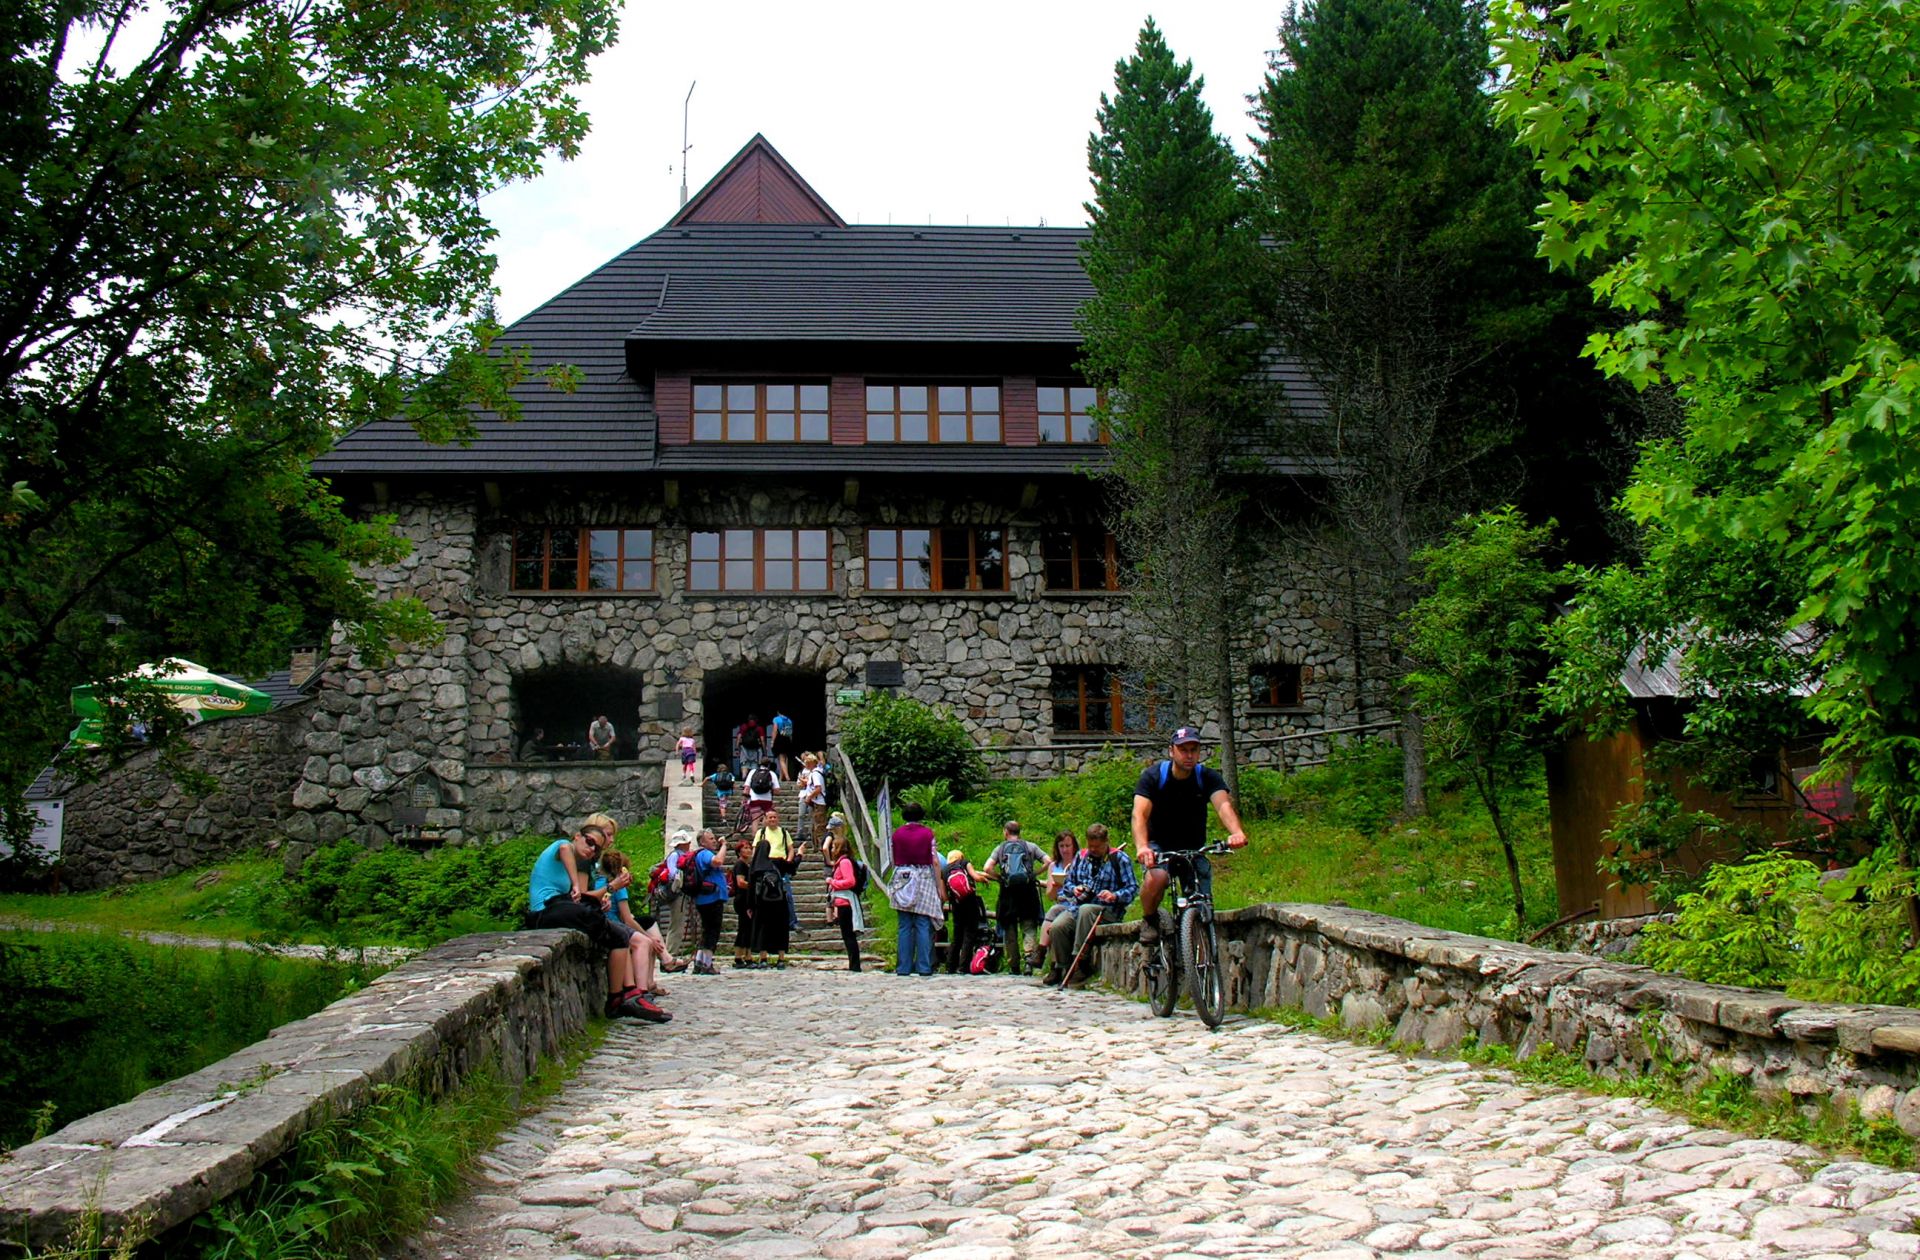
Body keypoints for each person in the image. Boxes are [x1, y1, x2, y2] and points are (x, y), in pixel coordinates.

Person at [523, 813, 666, 1021]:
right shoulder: (564, 846)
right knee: (605, 924)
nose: (592, 849)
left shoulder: (583, 862)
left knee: (618, 936)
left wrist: (603, 896)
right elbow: (566, 854)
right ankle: (627, 996)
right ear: (577, 837)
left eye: (597, 848)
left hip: (559, 908)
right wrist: (580, 884)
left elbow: (582, 897)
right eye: (590, 842)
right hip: (545, 910)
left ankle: (622, 996)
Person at [1133, 725, 1249, 945]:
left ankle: (1201, 956)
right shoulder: (1154, 776)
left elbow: (1223, 805)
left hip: (1194, 848)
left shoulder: (1206, 777)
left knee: (1202, 904)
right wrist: (1142, 846)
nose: (1189, 755)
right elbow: (1139, 815)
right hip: (1159, 845)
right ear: (1171, 751)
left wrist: (1236, 832)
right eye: (1183, 749)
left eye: (1193, 750)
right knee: (1156, 877)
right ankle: (1149, 918)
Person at [1044, 823, 1136, 987]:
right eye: (1090, 846)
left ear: (1106, 842)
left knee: (1087, 910)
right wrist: (1075, 889)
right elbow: (1068, 884)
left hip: (1107, 909)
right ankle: (1060, 966)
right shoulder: (1081, 856)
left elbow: (1132, 888)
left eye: (1097, 847)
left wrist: (1114, 895)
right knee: (1058, 926)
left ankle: (1080, 961)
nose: (1093, 850)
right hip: (1078, 906)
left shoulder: (1119, 859)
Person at [594, 846, 679, 1001]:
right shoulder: (618, 887)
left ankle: (656, 972)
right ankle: (642, 990)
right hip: (614, 925)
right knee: (647, 941)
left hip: (604, 922)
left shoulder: (599, 882)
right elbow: (627, 919)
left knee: (649, 928)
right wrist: (650, 938)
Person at [886, 801, 945, 977]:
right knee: (922, 924)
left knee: (904, 925)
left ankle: (903, 967)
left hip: (903, 877)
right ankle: (924, 967)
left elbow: (892, 857)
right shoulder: (927, 834)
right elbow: (934, 860)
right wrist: (939, 883)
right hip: (923, 877)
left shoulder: (897, 834)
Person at [984, 821, 1048, 975]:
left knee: (1009, 928)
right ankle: (1028, 961)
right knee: (1029, 926)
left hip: (1008, 894)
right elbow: (1048, 861)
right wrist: (1035, 874)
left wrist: (1000, 877)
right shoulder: (1030, 847)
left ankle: (1014, 964)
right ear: (1020, 832)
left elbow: (987, 868)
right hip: (1028, 892)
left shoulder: (1000, 848)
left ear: (1005, 832)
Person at [749, 809, 798, 967]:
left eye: (775, 817)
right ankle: (780, 958)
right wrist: (798, 857)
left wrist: (789, 859)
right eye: (769, 817)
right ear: (765, 819)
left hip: (768, 887)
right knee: (779, 924)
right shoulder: (761, 833)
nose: (772, 819)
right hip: (777, 883)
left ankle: (763, 957)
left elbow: (790, 849)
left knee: (764, 924)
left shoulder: (783, 833)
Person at [681, 828, 731, 975]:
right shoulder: (705, 853)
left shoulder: (699, 855)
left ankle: (699, 962)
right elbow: (717, 861)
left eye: (714, 838)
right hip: (712, 898)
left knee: (706, 930)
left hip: (703, 898)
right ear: (702, 842)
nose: (714, 841)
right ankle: (707, 963)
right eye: (711, 839)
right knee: (712, 931)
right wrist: (724, 846)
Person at [1035, 830, 1079, 970]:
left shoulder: (1080, 862)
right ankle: (1050, 962)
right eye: (1061, 846)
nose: (1065, 850)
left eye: (1068, 846)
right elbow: (1050, 895)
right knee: (1054, 920)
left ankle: (1041, 952)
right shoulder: (1054, 866)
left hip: (1074, 903)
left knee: (1054, 914)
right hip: (1061, 903)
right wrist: (1055, 886)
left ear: (1074, 846)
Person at [824, 823, 864, 972]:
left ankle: (855, 965)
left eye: (834, 847)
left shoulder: (845, 862)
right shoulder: (842, 862)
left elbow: (850, 881)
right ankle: (853, 964)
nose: (832, 850)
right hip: (841, 902)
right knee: (847, 935)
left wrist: (832, 881)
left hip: (845, 903)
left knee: (848, 935)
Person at [942, 848, 989, 974]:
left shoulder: (944, 871)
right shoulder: (964, 863)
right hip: (970, 901)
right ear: (960, 856)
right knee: (970, 934)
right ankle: (963, 967)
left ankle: (950, 967)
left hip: (956, 905)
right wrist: (984, 879)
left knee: (957, 936)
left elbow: (944, 896)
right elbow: (975, 876)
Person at [729, 836, 757, 969]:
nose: (748, 850)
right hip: (742, 899)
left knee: (747, 928)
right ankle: (740, 956)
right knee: (744, 928)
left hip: (747, 898)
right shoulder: (740, 864)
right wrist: (754, 886)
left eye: (749, 848)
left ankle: (747, 955)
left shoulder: (746, 864)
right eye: (745, 848)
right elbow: (740, 882)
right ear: (739, 851)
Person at [796, 751, 827, 843]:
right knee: (816, 825)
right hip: (816, 802)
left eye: (807, 763)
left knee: (819, 826)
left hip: (818, 802)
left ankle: (821, 846)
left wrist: (809, 797)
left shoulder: (815, 774)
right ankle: (817, 845)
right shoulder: (815, 773)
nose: (805, 765)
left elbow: (818, 788)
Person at [744, 758, 780, 827]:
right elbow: (777, 791)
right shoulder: (772, 774)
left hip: (754, 799)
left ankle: (755, 836)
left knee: (755, 820)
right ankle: (764, 835)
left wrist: (745, 798)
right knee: (766, 818)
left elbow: (747, 787)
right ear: (769, 765)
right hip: (767, 800)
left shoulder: (753, 772)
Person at [770, 708, 796, 778]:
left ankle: (787, 777)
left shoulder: (776, 719)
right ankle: (781, 777)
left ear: (778, 712)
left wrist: (772, 741)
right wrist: (790, 741)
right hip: (787, 740)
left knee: (781, 759)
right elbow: (791, 733)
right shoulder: (789, 720)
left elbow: (775, 730)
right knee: (786, 759)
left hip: (780, 739)